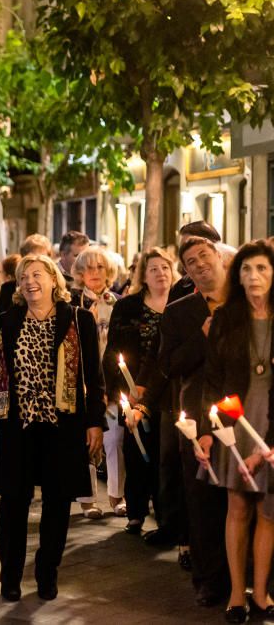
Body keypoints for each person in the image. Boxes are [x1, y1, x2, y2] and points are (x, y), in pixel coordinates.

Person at [0, 254, 105, 603]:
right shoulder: (8, 320)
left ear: (54, 280)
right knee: (12, 503)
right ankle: (10, 577)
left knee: (57, 502)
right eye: (24, 277)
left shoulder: (78, 320)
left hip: (62, 425)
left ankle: (46, 572)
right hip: (17, 426)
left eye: (37, 274)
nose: (30, 281)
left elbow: (94, 379)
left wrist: (95, 421)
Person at [199, 240, 274, 622]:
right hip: (235, 423)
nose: (253, 276)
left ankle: (261, 593)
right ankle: (236, 593)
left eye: (261, 268)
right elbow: (211, 379)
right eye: (246, 270)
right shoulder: (227, 318)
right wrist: (207, 430)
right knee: (238, 507)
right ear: (238, 276)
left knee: (269, 510)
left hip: (272, 423)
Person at [157, 235, 231, 607]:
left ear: (218, 257)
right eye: (191, 261)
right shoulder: (179, 311)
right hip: (197, 417)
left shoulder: (247, 301)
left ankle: (248, 580)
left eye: (205, 255)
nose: (200, 263)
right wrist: (201, 338)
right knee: (202, 500)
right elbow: (168, 365)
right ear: (186, 272)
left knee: (243, 502)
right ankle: (210, 581)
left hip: (239, 415)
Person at [103, 247, 175, 537]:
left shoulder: (181, 305)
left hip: (169, 393)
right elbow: (114, 351)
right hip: (134, 391)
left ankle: (165, 511)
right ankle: (136, 512)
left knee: (165, 454)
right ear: (143, 274)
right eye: (154, 268)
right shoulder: (128, 306)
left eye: (165, 268)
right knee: (136, 450)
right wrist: (119, 393)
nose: (160, 273)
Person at [70, 246, 123, 519]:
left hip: (112, 379)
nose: (94, 273)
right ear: (79, 273)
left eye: (100, 267)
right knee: (88, 441)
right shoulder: (72, 304)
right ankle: (88, 499)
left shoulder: (117, 302)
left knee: (115, 438)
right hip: (83, 381)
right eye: (89, 268)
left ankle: (117, 495)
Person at [0, 234, 54, 317]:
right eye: (31, 258)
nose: (36, 262)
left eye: (41, 258)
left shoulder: (58, 288)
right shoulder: (8, 289)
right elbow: (0, 323)